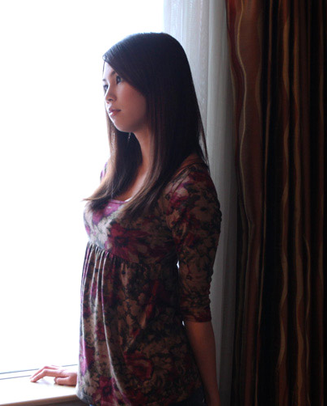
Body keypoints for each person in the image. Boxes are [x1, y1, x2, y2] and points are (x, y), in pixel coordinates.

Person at [31, 32, 221, 406]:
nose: (108, 95)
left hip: (156, 392)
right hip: (105, 386)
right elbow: (111, 285)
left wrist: (214, 398)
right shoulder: (117, 168)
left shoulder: (188, 188)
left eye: (119, 79)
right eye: (104, 84)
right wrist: (90, 368)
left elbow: (196, 308)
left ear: (157, 83)